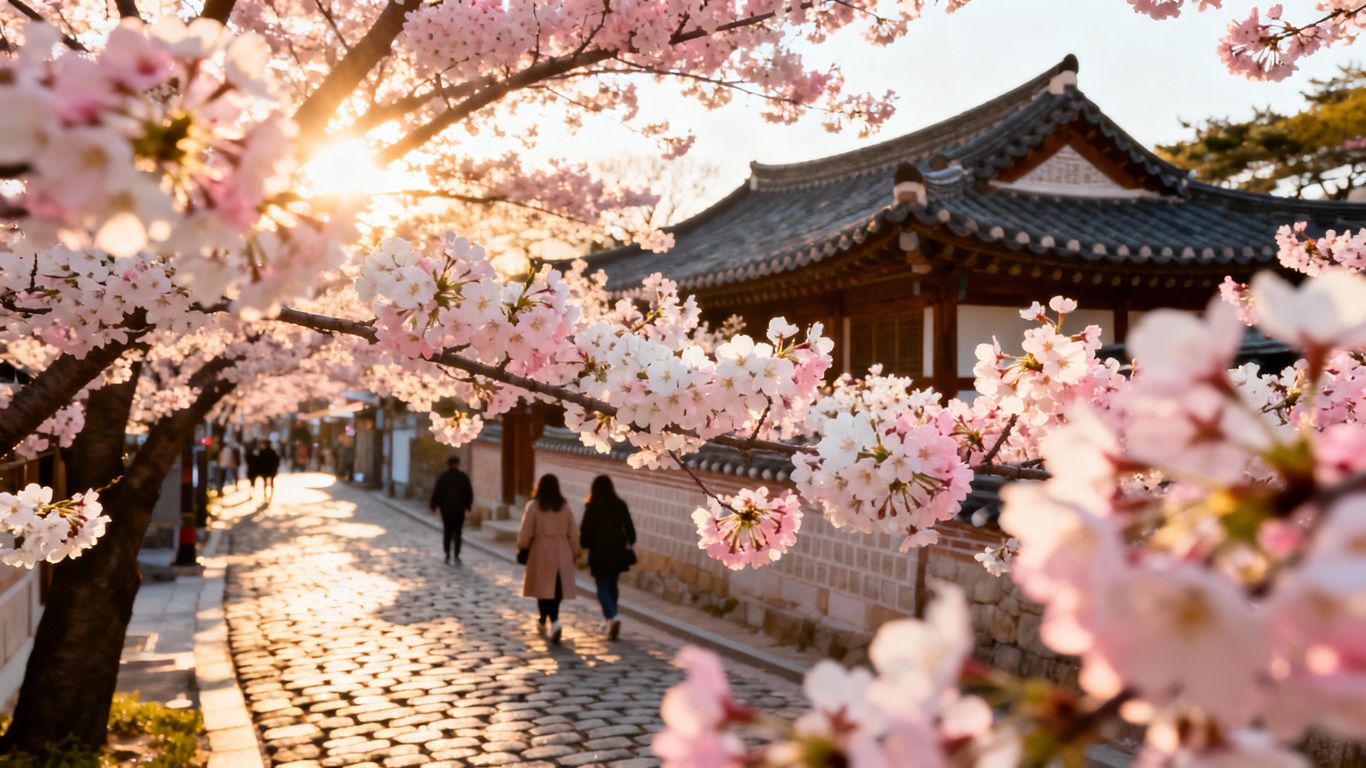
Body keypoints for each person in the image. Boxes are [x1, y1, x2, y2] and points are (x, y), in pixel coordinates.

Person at [516, 474, 581, 645]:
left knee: (542, 589)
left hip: (540, 550)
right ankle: (552, 620)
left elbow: (526, 532)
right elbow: (573, 531)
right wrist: (575, 550)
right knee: (556, 589)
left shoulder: (533, 506)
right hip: (562, 550)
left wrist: (522, 545)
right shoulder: (564, 506)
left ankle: (548, 620)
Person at [579, 475, 636, 640]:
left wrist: (585, 545)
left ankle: (611, 617)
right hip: (617, 552)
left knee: (602, 586)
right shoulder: (619, 505)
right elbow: (630, 529)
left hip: (599, 553)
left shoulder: (592, 507)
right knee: (612, 584)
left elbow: (585, 532)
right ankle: (611, 617)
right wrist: (630, 541)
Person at [429, 456, 473, 564]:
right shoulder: (463, 477)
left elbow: (437, 492)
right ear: (457, 464)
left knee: (447, 531)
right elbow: (468, 492)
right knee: (458, 532)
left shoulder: (443, 477)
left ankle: (447, 552)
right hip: (459, 509)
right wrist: (468, 506)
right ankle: (457, 554)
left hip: (446, 510)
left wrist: (434, 506)